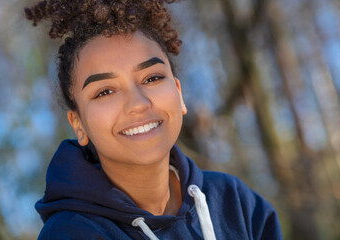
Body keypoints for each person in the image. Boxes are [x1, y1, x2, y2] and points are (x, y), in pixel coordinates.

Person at [25, 0, 282, 239]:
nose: (138, 103)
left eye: (152, 78)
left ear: (179, 94)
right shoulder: (71, 233)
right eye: (105, 92)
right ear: (78, 125)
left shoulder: (235, 202)